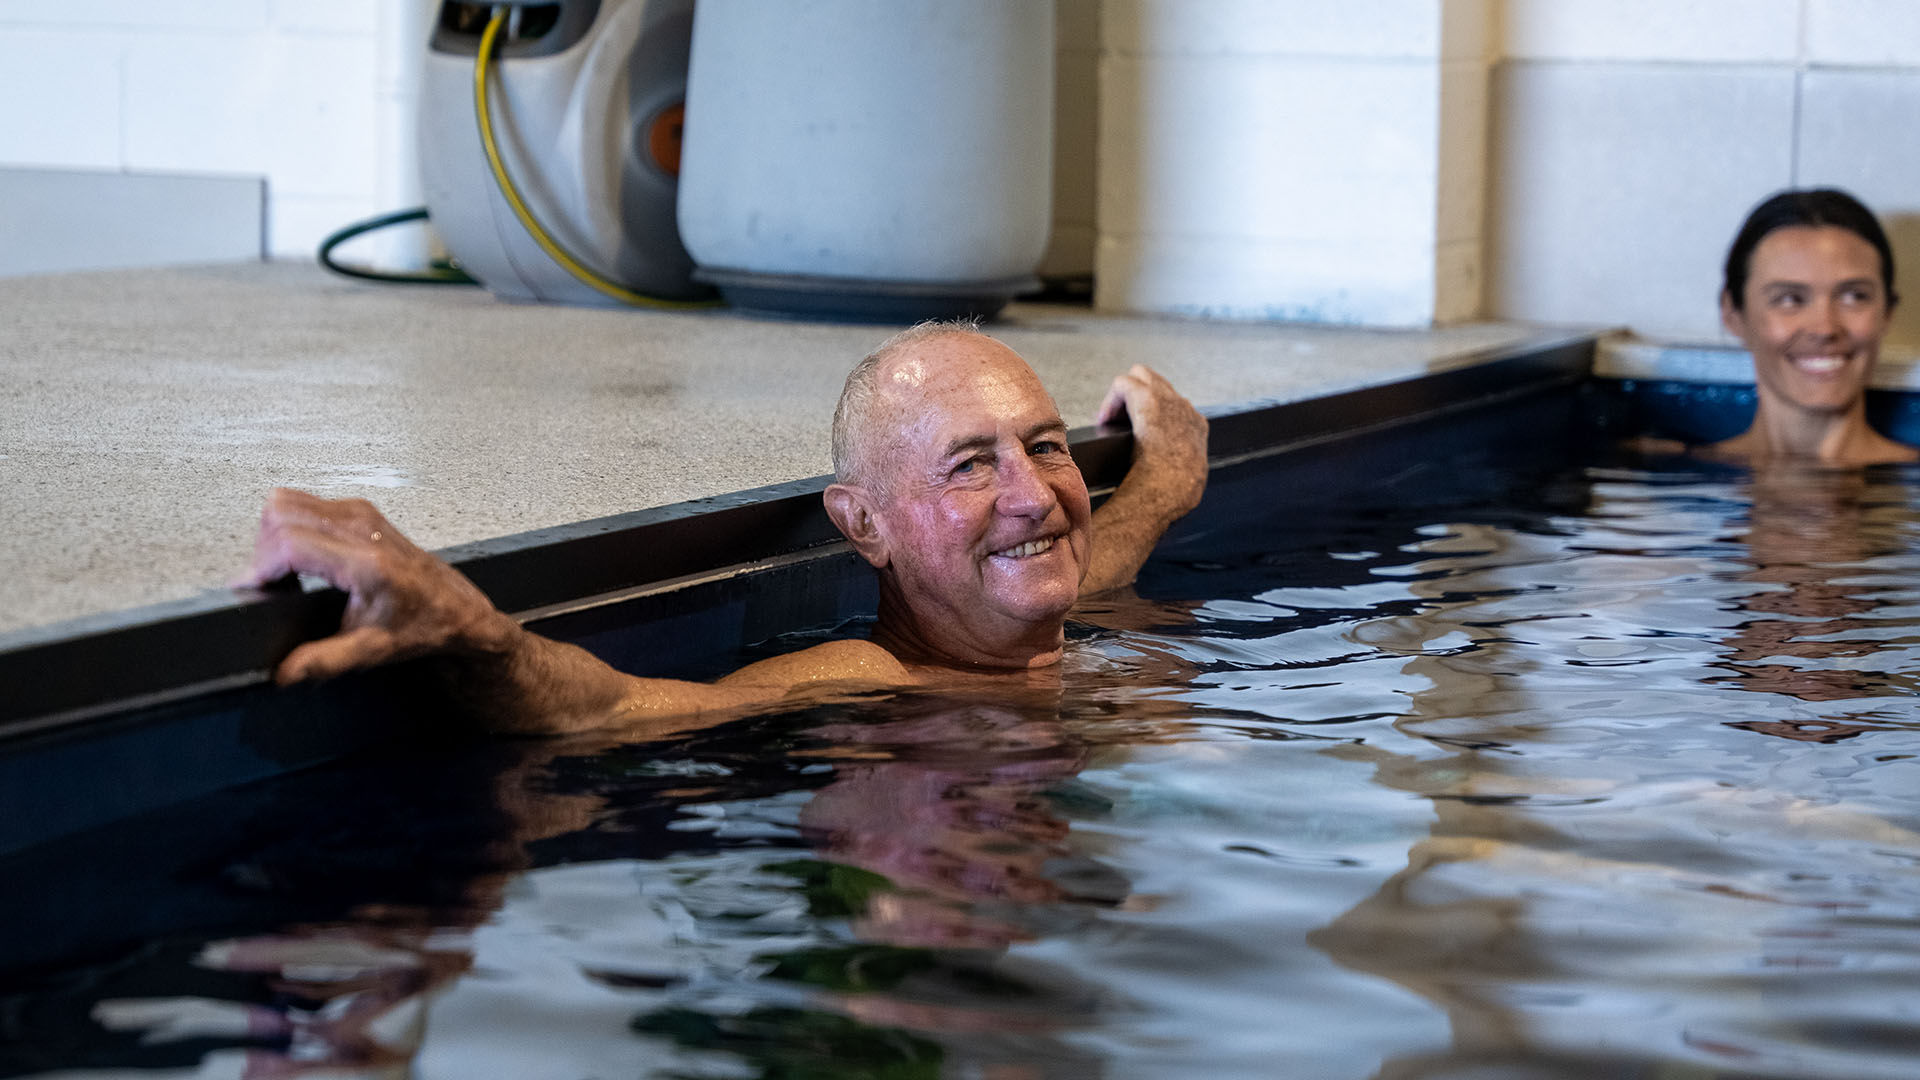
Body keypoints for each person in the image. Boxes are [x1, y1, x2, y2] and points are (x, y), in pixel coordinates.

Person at [240, 321, 1209, 736]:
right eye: (969, 465)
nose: (1035, 497)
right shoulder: (875, 685)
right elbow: (625, 709)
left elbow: (1075, 564)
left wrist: (1163, 482)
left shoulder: (1033, 620)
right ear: (863, 526)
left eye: (1045, 447)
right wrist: (475, 629)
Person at [1706, 187, 1915, 466]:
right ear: (1733, 313)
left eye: (1854, 296)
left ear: (1887, 312)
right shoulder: (1665, 476)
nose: (1824, 329)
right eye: (1790, 299)